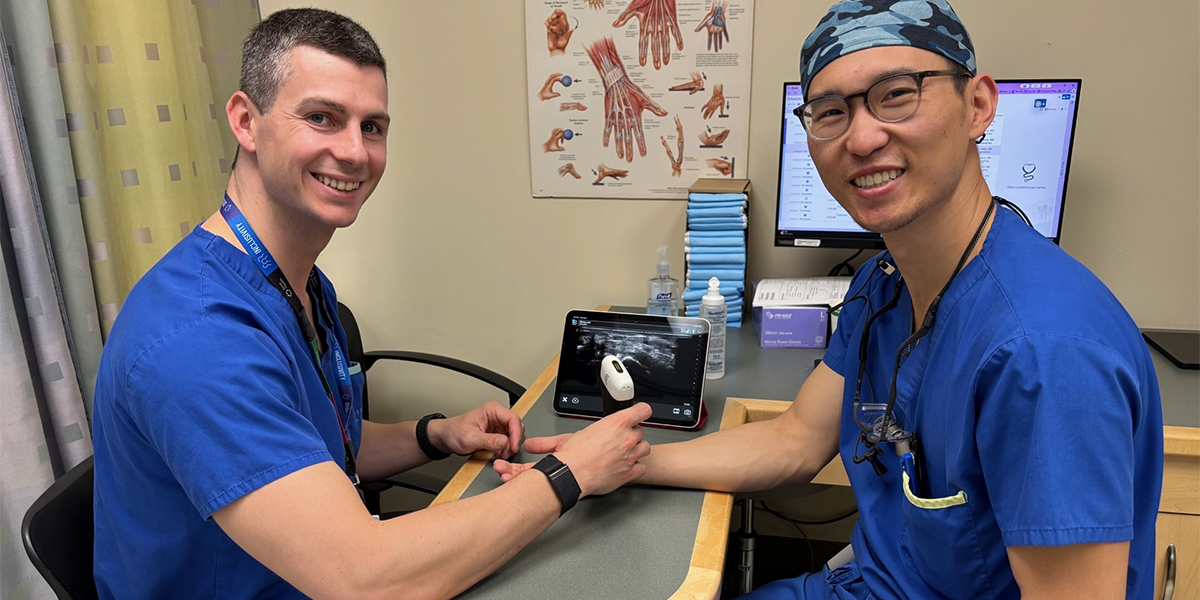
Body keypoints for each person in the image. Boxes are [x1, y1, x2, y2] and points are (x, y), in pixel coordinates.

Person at [498, 1, 1163, 598]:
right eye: (831, 113)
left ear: (979, 105)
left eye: (897, 95)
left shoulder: (1044, 353)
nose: (862, 138)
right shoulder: (885, 285)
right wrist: (614, 465)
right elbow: (795, 440)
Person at [91, 9, 651, 600]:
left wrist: (436, 435)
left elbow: (319, 443)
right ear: (246, 122)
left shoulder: (299, 284)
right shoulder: (200, 336)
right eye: (322, 118)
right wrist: (570, 474)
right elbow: (365, 581)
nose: (355, 151)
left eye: (373, 126)